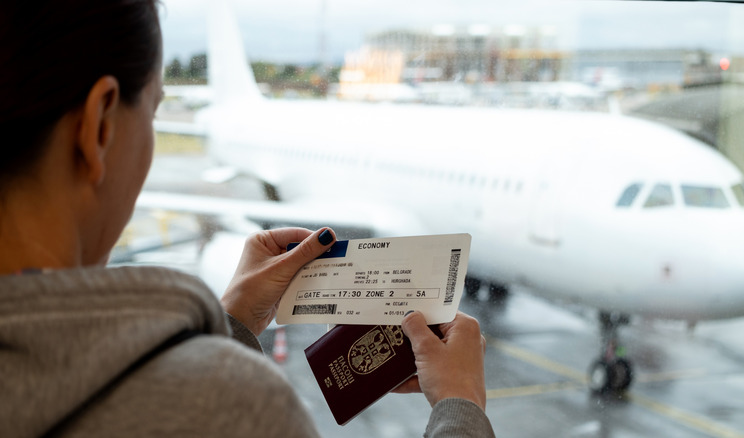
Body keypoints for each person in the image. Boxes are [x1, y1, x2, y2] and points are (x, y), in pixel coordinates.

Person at [0, 1, 495, 437]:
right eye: (151, 114)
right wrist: (461, 407)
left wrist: (231, 322)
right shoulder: (225, 407)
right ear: (99, 126)